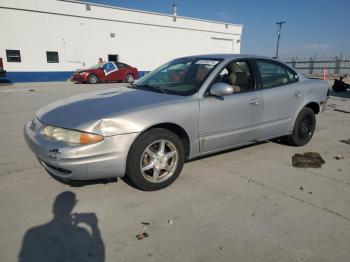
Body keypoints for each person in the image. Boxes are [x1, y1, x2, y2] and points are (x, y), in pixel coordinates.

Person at [18, 191, 105, 262]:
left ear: (54, 208)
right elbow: (98, 258)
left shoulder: (33, 234)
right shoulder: (82, 234)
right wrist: (94, 226)